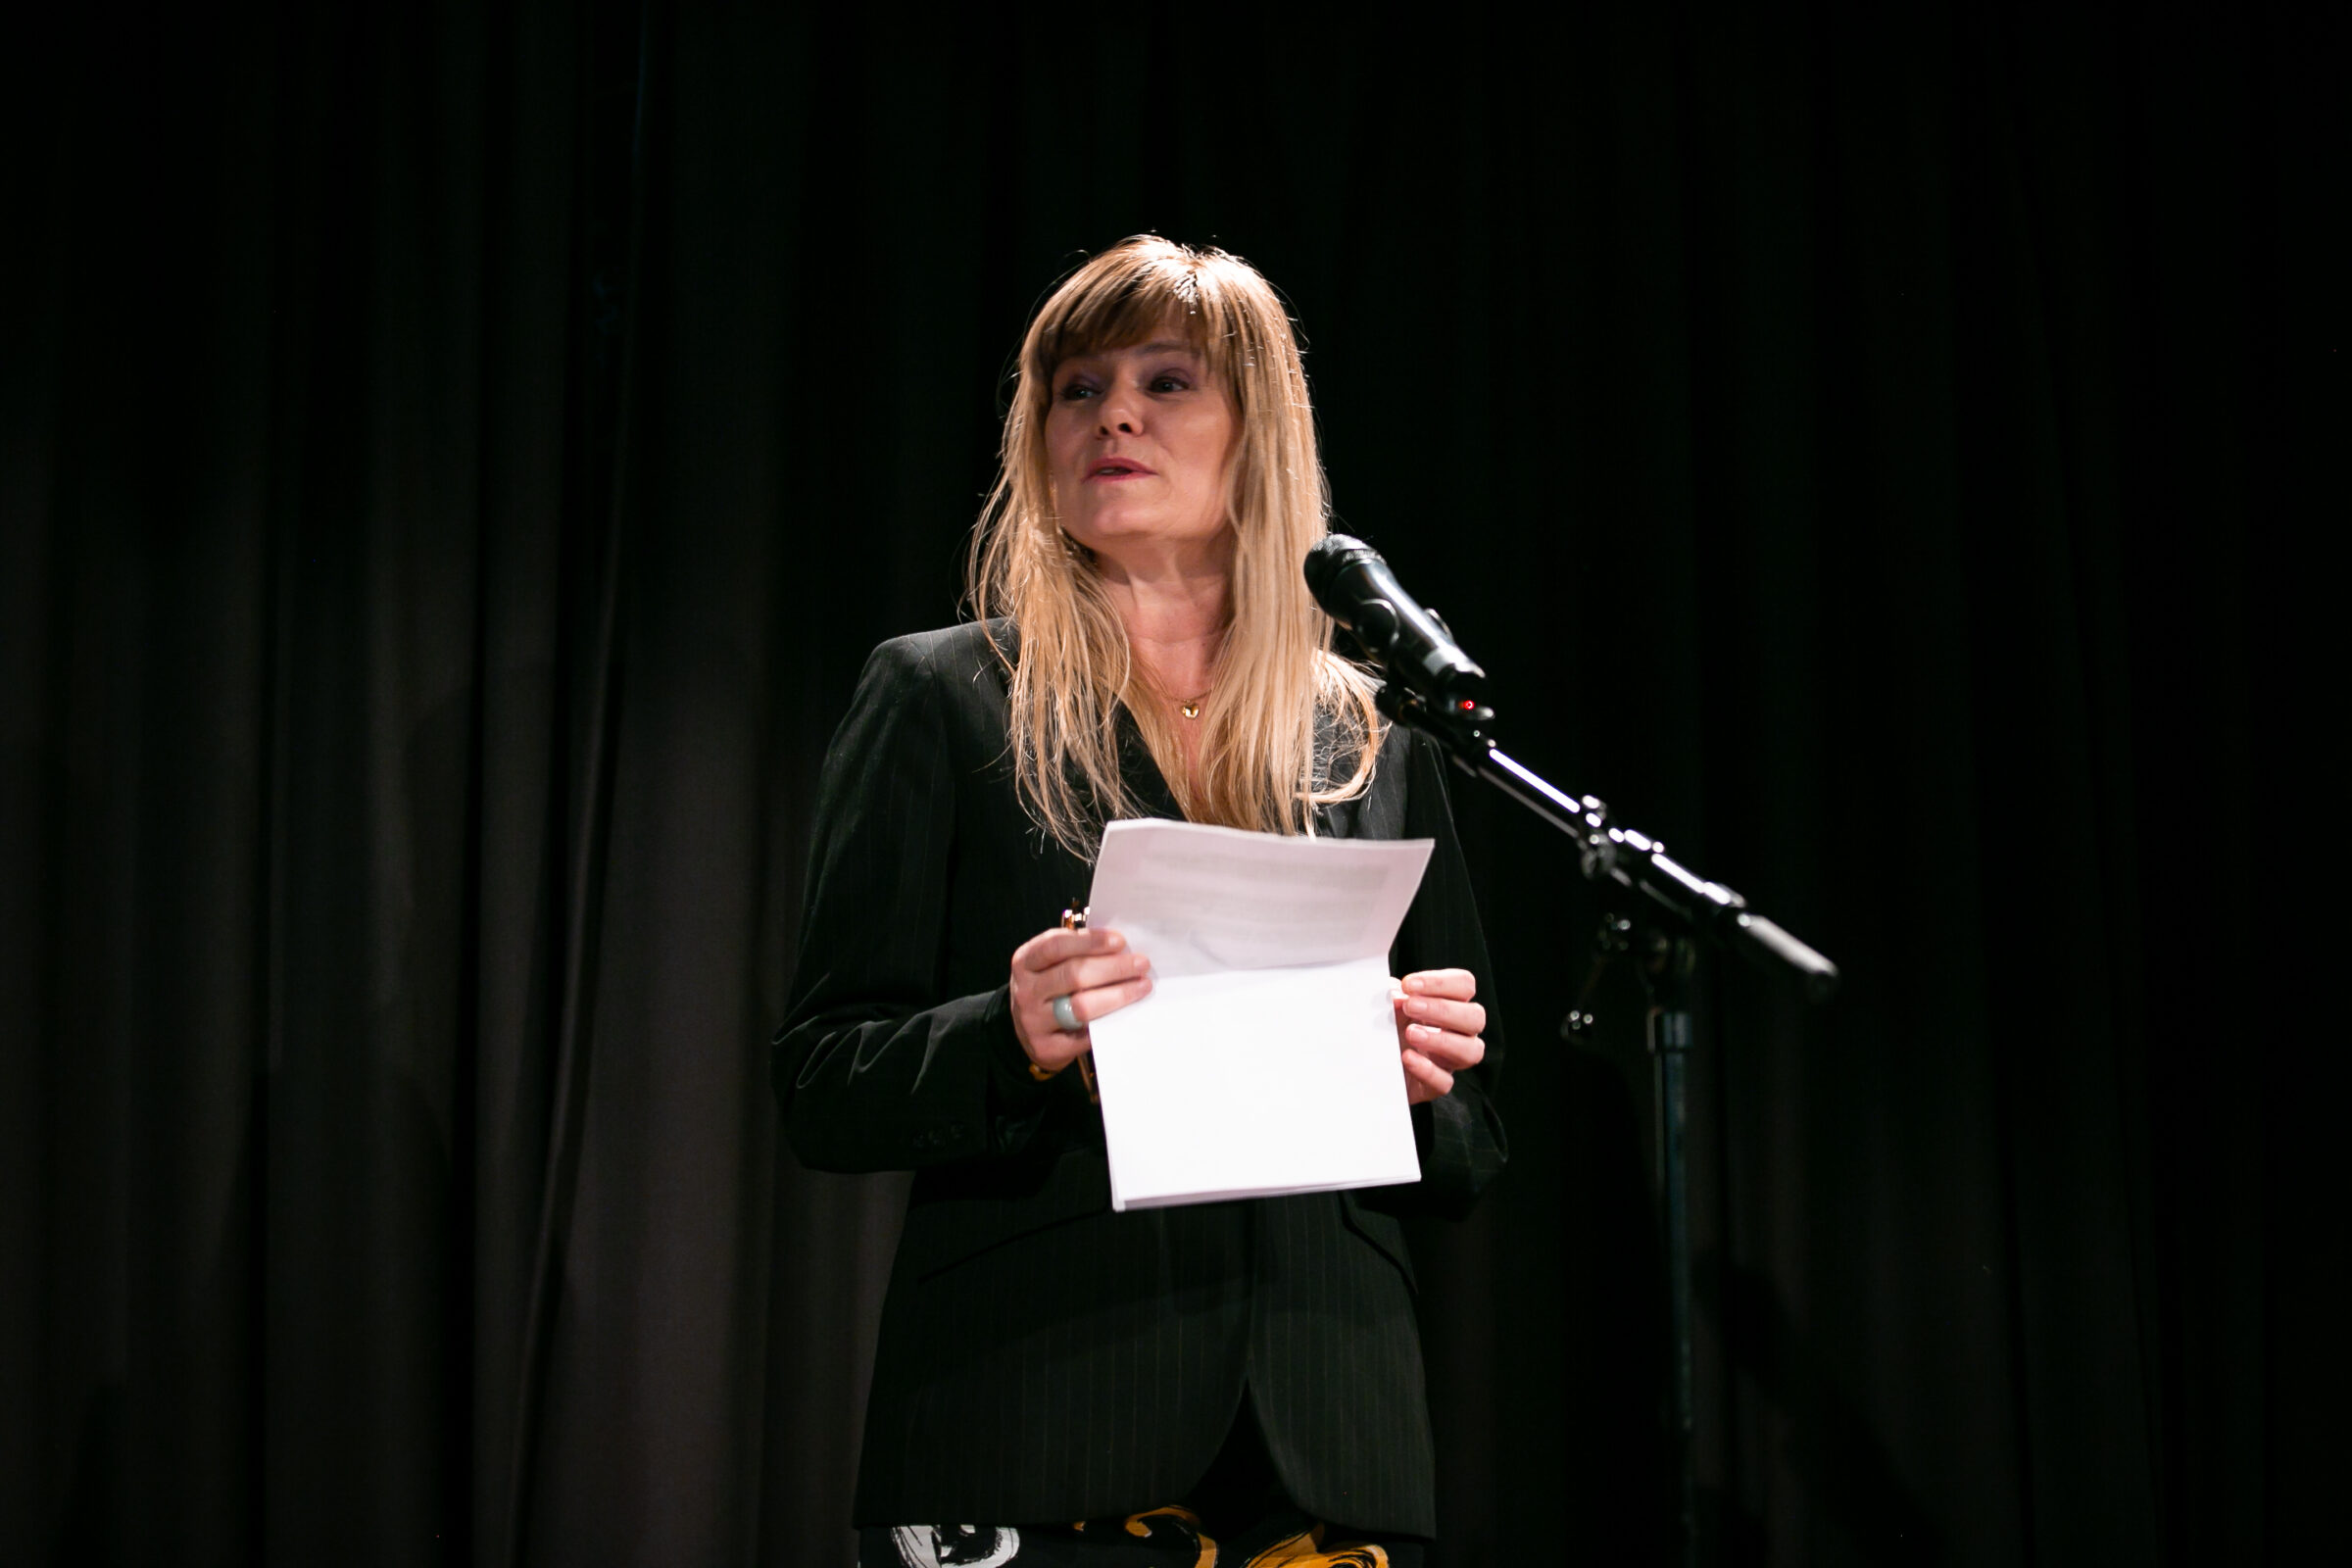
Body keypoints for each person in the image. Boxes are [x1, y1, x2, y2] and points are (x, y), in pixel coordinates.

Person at [773, 236, 1506, 1566]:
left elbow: (1477, 1133)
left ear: (1257, 435)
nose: (1114, 413)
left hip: (1327, 1440)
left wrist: (1423, 1081)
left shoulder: (1373, 737)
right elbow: (822, 1079)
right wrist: (1009, 1035)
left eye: (1167, 382)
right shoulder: (942, 697)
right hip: (1034, 1416)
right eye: (1079, 387)